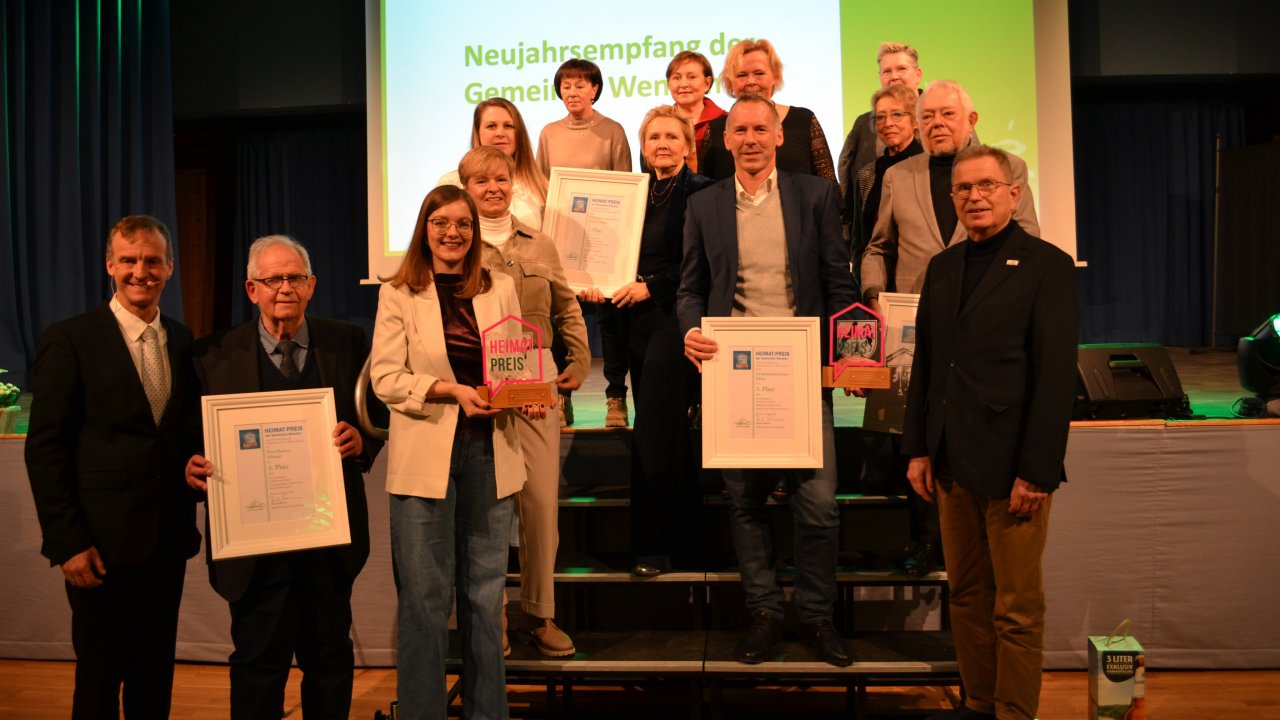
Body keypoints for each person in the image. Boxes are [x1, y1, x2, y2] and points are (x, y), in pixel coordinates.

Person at [678, 95, 856, 666]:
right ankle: (764, 613)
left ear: (780, 136)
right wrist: (688, 331)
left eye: (761, 129)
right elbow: (689, 288)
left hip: (804, 374)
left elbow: (838, 283)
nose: (750, 138)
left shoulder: (816, 195)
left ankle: (816, 616)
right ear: (725, 139)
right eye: (740, 130)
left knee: (820, 504)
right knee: (746, 501)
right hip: (734, 376)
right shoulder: (703, 205)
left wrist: (844, 352)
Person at [904, 145, 1078, 720]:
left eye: (985, 186)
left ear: (1013, 193)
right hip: (951, 463)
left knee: (1018, 610)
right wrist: (919, 449)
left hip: (1013, 472)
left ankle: (1014, 713)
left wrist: (1039, 469)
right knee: (966, 599)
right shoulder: (943, 266)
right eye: (963, 189)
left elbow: (1055, 379)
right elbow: (927, 364)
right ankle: (979, 705)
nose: (974, 197)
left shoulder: (1047, 266)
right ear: (952, 198)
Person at [183, 235, 383, 720]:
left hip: (327, 544)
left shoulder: (349, 342)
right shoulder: (211, 355)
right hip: (253, 549)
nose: (285, 288)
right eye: (273, 279)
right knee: (257, 666)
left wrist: (363, 442)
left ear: (311, 285)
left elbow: (374, 418)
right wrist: (191, 466)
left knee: (329, 662)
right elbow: (193, 440)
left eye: (295, 278)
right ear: (252, 289)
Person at [370, 185, 543, 720]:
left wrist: (527, 394)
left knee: (485, 601)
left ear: (475, 231)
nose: (452, 233)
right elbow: (385, 378)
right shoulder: (399, 292)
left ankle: (487, 713)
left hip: (491, 455)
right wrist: (450, 392)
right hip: (426, 460)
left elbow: (518, 359)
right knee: (424, 602)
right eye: (441, 222)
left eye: (463, 224)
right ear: (425, 228)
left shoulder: (502, 286)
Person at [25, 214, 201, 719]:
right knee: (99, 679)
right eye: (129, 260)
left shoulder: (183, 339)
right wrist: (68, 542)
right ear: (110, 265)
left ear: (169, 267)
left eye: (151, 261)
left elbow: (180, 437)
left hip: (165, 544)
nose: (139, 271)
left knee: (153, 677)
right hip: (97, 548)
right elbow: (45, 448)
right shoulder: (70, 339)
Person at [461, 146, 591, 656]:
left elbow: (566, 308)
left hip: (537, 390)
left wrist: (577, 365)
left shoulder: (540, 244)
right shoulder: (455, 245)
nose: (493, 188)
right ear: (466, 188)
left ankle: (539, 614)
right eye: (480, 182)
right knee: (487, 511)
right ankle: (489, 616)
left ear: (512, 183)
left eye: (500, 179)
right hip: (481, 397)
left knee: (539, 508)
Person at [613, 106, 713, 576]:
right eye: (654, 137)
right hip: (632, 320)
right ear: (644, 145)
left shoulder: (703, 191)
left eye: (672, 136)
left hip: (679, 318)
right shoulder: (631, 194)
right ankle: (690, 541)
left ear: (688, 144)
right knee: (665, 428)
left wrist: (653, 286)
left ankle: (652, 546)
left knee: (653, 424)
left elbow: (702, 262)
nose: (662, 144)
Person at [861, 79, 1039, 313]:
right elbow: (880, 248)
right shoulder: (896, 176)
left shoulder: (1009, 167)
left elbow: (1026, 241)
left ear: (971, 120)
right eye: (927, 117)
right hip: (914, 317)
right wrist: (872, 294)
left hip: (988, 308)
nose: (937, 124)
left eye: (947, 114)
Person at [536, 58, 634, 429]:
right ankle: (562, 398)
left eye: (580, 84)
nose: (572, 91)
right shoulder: (547, 132)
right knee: (561, 322)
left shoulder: (613, 130)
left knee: (612, 325)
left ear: (595, 89)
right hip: (562, 241)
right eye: (565, 85)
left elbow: (626, 188)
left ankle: (615, 398)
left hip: (606, 243)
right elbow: (542, 187)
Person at [837, 42, 925, 277]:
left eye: (901, 69)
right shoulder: (863, 125)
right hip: (874, 270)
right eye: (887, 71)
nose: (894, 77)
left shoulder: (938, 114)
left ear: (918, 74)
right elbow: (847, 178)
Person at [696, 39, 836, 185]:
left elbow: (830, 187)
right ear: (730, 82)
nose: (751, 81)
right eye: (742, 75)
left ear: (775, 77)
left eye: (759, 73)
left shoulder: (804, 121)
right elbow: (705, 190)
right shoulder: (715, 129)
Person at [438, 98, 548, 230]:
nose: (500, 133)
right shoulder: (452, 184)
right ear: (477, 133)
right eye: (491, 126)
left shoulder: (541, 187)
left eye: (508, 126)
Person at [855, 84, 924, 251]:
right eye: (880, 117)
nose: (888, 123)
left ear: (915, 121)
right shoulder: (867, 174)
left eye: (897, 115)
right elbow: (859, 240)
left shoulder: (929, 167)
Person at [665, 50, 726, 173]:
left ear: (707, 83)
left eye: (691, 77)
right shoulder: (660, 124)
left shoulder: (726, 122)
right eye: (676, 78)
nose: (683, 84)